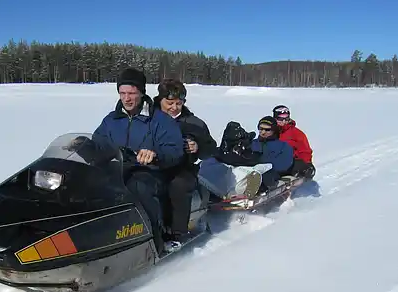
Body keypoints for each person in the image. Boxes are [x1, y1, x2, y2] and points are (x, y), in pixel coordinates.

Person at [92, 68, 184, 255]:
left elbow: (175, 151)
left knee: (137, 187)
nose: (126, 98)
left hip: (150, 173)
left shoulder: (160, 121)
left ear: (141, 93)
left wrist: (155, 154)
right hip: (115, 170)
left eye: (132, 93)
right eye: (122, 93)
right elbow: (97, 143)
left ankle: (156, 243)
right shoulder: (111, 120)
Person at [153, 79, 217, 244]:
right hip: (152, 166)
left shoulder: (194, 123)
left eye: (178, 103)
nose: (174, 108)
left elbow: (210, 147)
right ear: (160, 99)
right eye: (170, 103)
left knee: (178, 185)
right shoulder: (148, 118)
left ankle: (177, 232)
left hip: (182, 168)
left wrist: (197, 147)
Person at [197, 118, 293, 199]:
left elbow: (284, 164)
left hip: (270, 171)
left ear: (274, 131)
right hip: (248, 169)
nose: (263, 132)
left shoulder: (283, 146)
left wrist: (261, 163)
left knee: (264, 174)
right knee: (228, 170)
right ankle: (217, 190)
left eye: (267, 130)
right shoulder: (252, 143)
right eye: (261, 129)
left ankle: (251, 189)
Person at [272, 105, 316, 178]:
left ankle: (293, 177)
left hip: (291, 163)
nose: (284, 121)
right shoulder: (270, 131)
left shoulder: (296, 133)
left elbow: (305, 151)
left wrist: (307, 163)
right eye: (280, 119)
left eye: (286, 118)